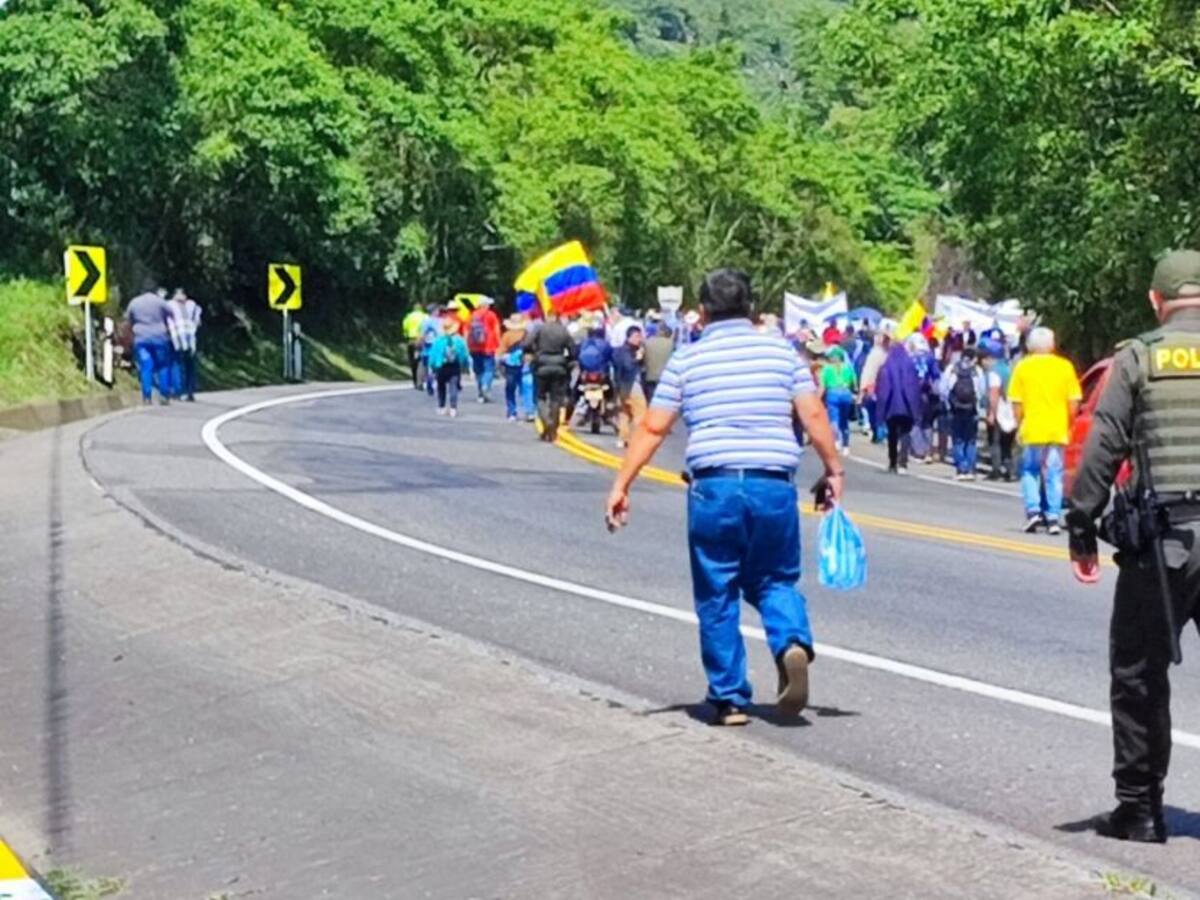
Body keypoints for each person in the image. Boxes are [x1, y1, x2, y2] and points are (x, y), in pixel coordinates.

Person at [605, 269, 844, 726]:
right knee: (775, 579)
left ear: (703, 311)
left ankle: (730, 697)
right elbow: (813, 413)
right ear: (751, 307)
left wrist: (622, 484)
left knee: (717, 590)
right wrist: (834, 469)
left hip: (713, 487)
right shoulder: (782, 353)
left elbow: (653, 427)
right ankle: (791, 641)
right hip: (773, 484)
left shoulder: (687, 360)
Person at [1066, 249, 1200, 844]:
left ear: (1156, 300)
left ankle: (1140, 810)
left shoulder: (1140, 358)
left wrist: (1081, 526)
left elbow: (1103, 448)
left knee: (1139, 675)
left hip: (1164, 547)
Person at [1008, 326, 1082, 533]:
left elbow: (1017, 402)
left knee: (1030, 470)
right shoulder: (1064, 367)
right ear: (1052, 345)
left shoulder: (1023, 367)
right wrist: (1068, 423)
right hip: (1057, 429)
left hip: (1032, 428)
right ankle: (1053, 517)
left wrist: (1019, 424)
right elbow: (1074, 402)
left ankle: (1033, 511)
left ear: (1030, 346)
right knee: (1054, 473)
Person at [524, 309, 575, 441]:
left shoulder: (539, 329)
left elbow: (526, 344)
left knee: (540, 397)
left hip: (541, 365)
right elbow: (573, 349)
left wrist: (533, 352)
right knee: (556, 399)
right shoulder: (563, 331)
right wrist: (568, 361)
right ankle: (552, 428)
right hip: (559, 366)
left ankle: (547, 420)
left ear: (547, 317)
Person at [124, 284, 176, 405]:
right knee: (163, 366)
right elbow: (171, 314)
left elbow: (128, 319)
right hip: (160, 338)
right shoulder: (160, 302)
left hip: (141, 338)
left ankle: (147, 396)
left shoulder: (134, 302)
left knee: (146, 367)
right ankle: (164, 395)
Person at [875, 341, 921, 474]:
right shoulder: (910, 364)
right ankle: (903, 462)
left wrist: (881, 410)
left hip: (891, 407)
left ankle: (893, 462)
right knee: (905, 433)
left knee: (892, 434)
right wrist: (915, 408)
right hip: (906, 407)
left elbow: (884, 389)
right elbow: (912, 387)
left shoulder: (887, 365)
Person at [941, 346, 984, 480]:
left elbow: (943, 389)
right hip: (972, 409)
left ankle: (961, 468)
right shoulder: (977, 371)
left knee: (957, 439)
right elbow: (981, 390)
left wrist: (948, 404)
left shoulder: (952, 368)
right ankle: (970, 469)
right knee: (970, 440)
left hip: (955, 409)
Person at [980, 338, 1016, 481]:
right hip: (1011, 410)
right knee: (1008, 443)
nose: (983, 362)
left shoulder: (994, 372)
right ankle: (1010, 470)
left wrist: (991, 413)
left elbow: (993, 393)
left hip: (1000, 410)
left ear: (990, 358)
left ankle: (996, 470)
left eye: (984, 358)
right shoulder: (1008, 368)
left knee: (995, 441)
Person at [612, 325, 647, 450]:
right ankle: (637, 440)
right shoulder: (627, 351)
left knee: (625, 413)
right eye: (637, 336)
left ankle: (623, 438)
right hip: (631, 385)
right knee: (640, 412)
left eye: (640, 336)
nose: (640, 339)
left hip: (622, 386)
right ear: (629, 337)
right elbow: (628, 366)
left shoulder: (620, 350)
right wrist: (638, 358)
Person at [428, 317, 470, 417]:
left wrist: (432, 366)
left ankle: (441, 407)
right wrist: (465, 365)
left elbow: (432, 355)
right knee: (453, 387)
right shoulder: (459, 340)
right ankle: (453, 408)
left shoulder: (438, 340)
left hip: (441, 366)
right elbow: (464, 355)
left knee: (441, 387)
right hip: (454, 366)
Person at [820, 345, 857, 455]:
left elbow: (822, 386)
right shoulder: (848, 368)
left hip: (833, 394)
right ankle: (846, 446)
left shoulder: (826, 369)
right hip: (846, 394)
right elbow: (854, 385)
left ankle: (836, 441)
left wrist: (817, 398)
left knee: (834, 420)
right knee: (844, 421)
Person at [167, 288, 202, 402]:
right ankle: (190, 392)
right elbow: (198, 322)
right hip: (190, 339)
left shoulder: (170, 305)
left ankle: (177, 391)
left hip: (176, 338)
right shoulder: (193, 305)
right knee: (190, 366)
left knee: (176, 364)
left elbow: (167, 321)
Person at [497, 314, 532, 422]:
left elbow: (501, 351)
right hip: (525, 364)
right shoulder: (527, 334)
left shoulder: (507, 335)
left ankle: (512, 412)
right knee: (526, 388)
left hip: (510, 365)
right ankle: (529, 411)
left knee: (510, 389)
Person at [466, 298, 501, 403]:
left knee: (479, 371)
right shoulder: (491, 315)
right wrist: (498, 344)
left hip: (474, 347)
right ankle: (486, 385)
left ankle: (481, 394)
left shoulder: (472, 315)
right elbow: (496, 330)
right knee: (489, 369)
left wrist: (468, 345)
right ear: (486, 305)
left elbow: (467, 330)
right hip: (489, 346)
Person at [642, 324, 674, 402]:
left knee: (651, 401)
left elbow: (641, 358)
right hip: (666, 378)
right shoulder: (671, 344)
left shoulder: (647, 342)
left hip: (650, 377)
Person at [402, 305, 429, 391]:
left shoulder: (408, 317)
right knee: (421, 361)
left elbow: (405, 328)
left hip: (411, 340)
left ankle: (415, 381)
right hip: (421, 341)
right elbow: (428, 329)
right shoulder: (425, 317)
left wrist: (406, 334)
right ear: (421, 309)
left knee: (412, 362)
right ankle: (420, 382)